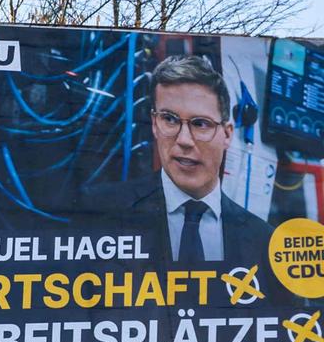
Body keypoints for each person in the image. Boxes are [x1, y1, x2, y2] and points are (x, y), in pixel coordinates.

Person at [84, 54, 272, 269]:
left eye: (201, 123)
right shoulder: (98, 211)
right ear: (155, 125)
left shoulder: (264, 242)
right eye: (170, 120)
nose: (184, 140)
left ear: (227, 135)